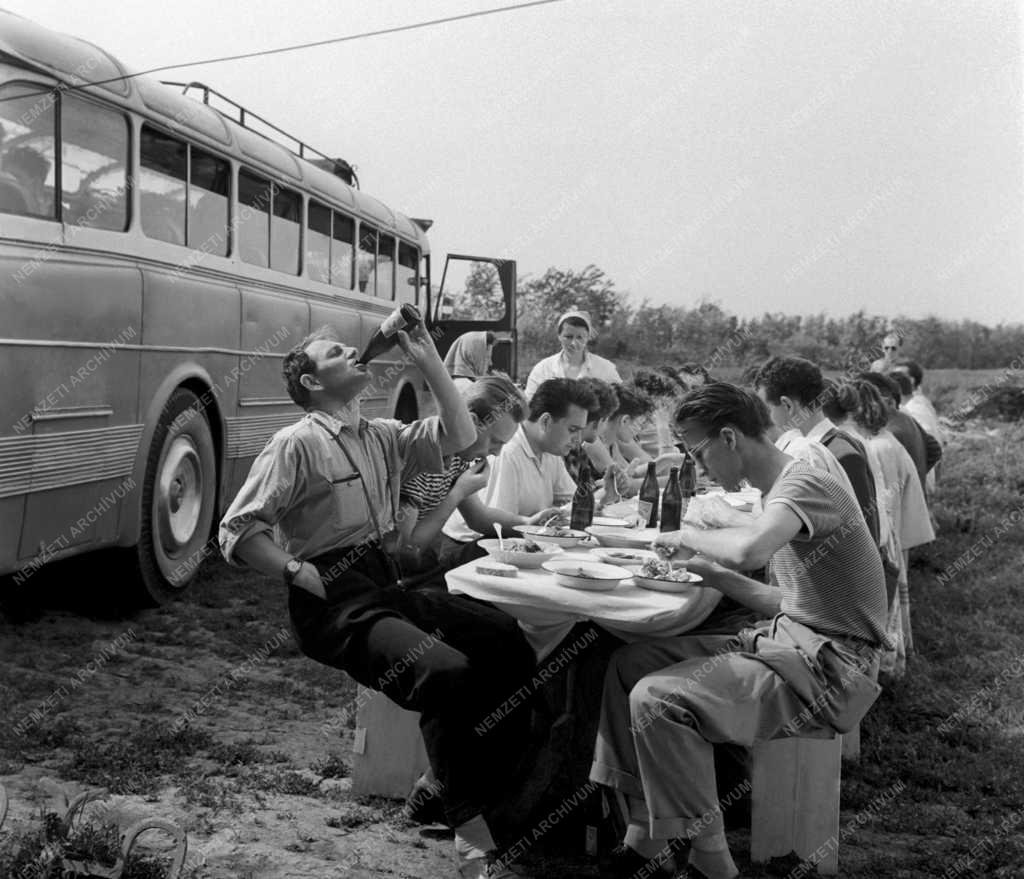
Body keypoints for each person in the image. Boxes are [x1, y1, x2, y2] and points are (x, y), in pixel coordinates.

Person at [218, 324, 534, 879]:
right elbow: (238, 531)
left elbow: (462, 438)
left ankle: (440, 788)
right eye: (334, 352)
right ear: (313, 382)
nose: (350, 349)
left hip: (386, 587)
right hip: (335, 605)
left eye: (348, 345)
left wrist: (430, 359)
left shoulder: (384, 434)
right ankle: (473, 842)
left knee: (508, 641)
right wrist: (296, 571)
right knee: (445, 673)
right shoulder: (296, 443)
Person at [590, 382, 886, 879]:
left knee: (659, 699)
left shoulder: (802, 483)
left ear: (729, 437)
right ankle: (644, 837)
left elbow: (752, 552)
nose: (696, 466)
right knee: (627, 665)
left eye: (696, 451)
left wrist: (686, 532)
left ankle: (713, 863)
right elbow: (788, 601)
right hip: (793, 639)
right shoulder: (781, 489)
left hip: (833, 668)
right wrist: (709, 572)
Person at [398, 374, 561, 572]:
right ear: (471, 422)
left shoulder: (458, 458)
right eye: (495, 441)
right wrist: (458, 493)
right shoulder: (421, 459)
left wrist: (526, 524)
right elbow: (405, 551)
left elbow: (478, 517)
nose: (497, 452)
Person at [830, 379, 934, 676]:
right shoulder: (888, 440)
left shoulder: (865, 446)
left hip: (879, 530)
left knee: (883, 606)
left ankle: (882, 668)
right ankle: (894, 660)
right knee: (894, 604)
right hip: (893, 527)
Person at [754, 356, 880, 545]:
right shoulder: (804, 444)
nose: (764, 419)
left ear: (788, 405)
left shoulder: (841, 454)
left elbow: (864, 536)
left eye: (766, 409)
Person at [483, 377, 597, 518]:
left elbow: (575, 502)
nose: (578, 440)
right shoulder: (508, 452)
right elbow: (498, 528)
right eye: (573, 429)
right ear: (546, 421)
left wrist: (604, 496)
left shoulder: (550, 451)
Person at [859, 372, 941, 494]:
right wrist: (916, 477)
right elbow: (934, 449)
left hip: (902, 508)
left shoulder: (888, 434)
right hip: (915, 502)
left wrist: (911, 480)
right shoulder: (907, 419)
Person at [524, 309, 621, 399]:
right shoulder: (543, 369)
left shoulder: (605, 368)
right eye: (568, 337)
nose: (574, 343)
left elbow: (622, 402)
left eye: (580, 337)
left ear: (587, 337)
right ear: (559, 336)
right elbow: (529, 404)